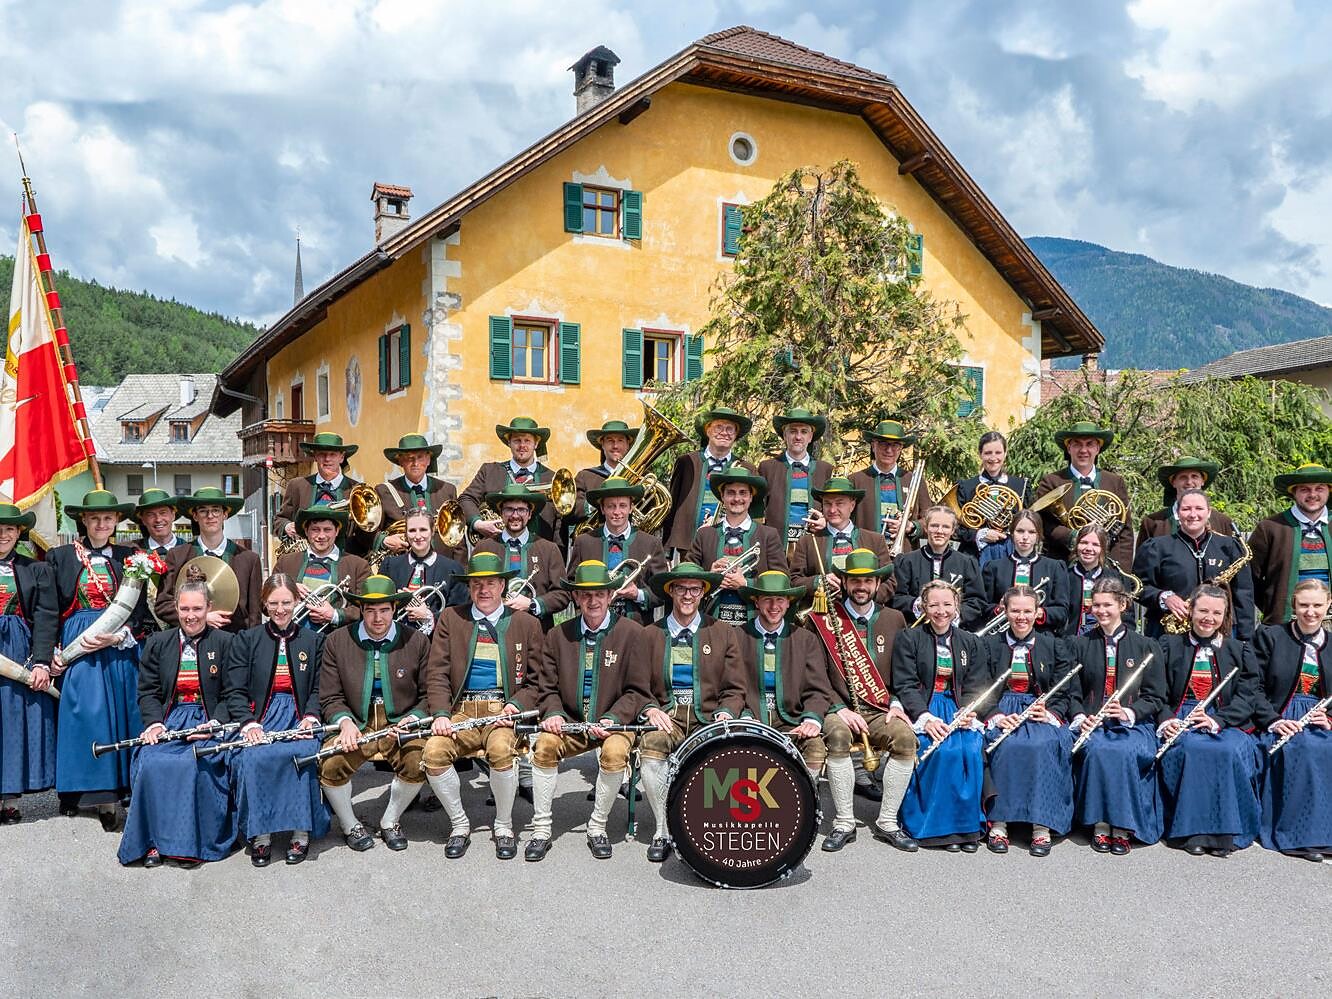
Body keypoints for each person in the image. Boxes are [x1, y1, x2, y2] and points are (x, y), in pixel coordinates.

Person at [420, 552, 546, 860]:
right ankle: (459, 825)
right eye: (477, 584)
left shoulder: (526, 623)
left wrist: (516, 706)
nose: (484, 590)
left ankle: (503, 825)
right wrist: (439, 714)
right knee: (433, 754)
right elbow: (436, 672)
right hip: (461, 709)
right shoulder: (452, 617)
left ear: (503, 586)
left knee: (502, 752)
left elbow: (539, 679)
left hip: (503, 710)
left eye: (491, 583)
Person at [526, 561, 645, 861]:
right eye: (585, 595)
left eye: (600, 594)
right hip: (569, 722)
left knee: (617, 753)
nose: (593, 601)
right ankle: (541, 829)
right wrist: (552, 712)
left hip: (612, 723)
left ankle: (597, 827)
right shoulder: (556, 635)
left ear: (610, 596)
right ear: (576, 598)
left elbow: (638, 690)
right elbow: (547, 687)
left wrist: (613, 718)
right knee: (544, 746)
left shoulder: (632, 633)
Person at [629, 562, 745, 863]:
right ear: (670, 591)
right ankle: (663, 829)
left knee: (724, 748)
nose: (688, 595)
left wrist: (725, 712)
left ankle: (709, 826)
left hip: (708, 717)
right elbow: (636, 685)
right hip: (668, 717)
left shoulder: (723, 633)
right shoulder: (648, 634)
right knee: (652, 748)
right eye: (681, 588)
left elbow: (735, 688)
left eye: (695, 588)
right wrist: (650, 708)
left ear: (704, 593)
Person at [47, 489, 147, 827]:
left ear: (117, 520)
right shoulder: (60, 557)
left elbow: (142, 611)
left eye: (108, 517)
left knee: (124, 713)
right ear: (83, 521)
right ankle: (85, 791)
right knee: (85, 715)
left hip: (117, 644)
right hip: (79, 643)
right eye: (94, 518)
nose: (101, 523)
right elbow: (49, 611)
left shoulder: (131, 557)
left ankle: (120, 790)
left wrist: (122, 634)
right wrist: (52, 653)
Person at [118, 581, 235, 867]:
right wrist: (155, 723)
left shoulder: (226, 642)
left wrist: (214, 723)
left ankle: (190, 844)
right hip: (172, 718)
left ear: (209, 608)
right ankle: (154, 841)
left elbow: (233, 692)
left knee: (193, 763)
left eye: (197, 608)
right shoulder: (159, 643)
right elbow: (148, 691)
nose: (190, 615)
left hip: (209, 720)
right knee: (150, 760)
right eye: (184, 609)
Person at [316, 576, 432, 852]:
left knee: (419, 761)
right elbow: (330, 695)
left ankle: (390, 820)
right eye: (370, 610)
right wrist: (344, 723)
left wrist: (413, 719)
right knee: (330, 763)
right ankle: (349, 824)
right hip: (358, 720)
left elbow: (431, 693)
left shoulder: (416, 641)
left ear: (395, 609)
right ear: (362, 611)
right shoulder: (337, 641)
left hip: (400, 721)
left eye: (384, 610)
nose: (377, 618)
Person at [224, 573, 330, 866]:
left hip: (298, 715)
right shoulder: (247, 639)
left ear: (297, 601)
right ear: (264, 604)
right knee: (254, 757)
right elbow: (234, 689)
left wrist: (310, 716)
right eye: (273, 603)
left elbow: (321, 687)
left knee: (302, 753)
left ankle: (300, 831)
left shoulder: (315, 640)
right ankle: (262, 833)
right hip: (262, 716)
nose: (280, 609)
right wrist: (248, 722)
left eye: (286, 602)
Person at [817, 549, 918, 852]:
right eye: (855, 581)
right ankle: (844, 822)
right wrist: (839, 708)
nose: (861, 587)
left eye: (868, 581)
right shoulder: (825, 619)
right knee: (835, 736)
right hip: (840, 706)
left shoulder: (894, 618)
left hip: (881, 708)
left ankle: (887, 821)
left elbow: (906, 669)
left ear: (877, 584)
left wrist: (898, 702)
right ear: (845, 583)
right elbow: (817, 675)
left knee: (905, 740)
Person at [1156, 584, 1262, 858]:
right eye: (1203, 610)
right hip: (1182, 717)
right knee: (1192, 748)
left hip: (1224, 720)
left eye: (1216, 613)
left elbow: (1247, 697)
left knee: (1224, 750)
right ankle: (1192, 832)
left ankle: (1223, 833)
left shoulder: (1239, 650)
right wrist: (1167, 719)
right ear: (1190, 610)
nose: (1208, 618)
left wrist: (1218, 720)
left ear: (1225, 616)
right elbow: (1156, 692)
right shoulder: (1169, 645)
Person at [1068, 577, 1166, 855]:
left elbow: (1156, 697)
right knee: (1098, 749)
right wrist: (1079, 716)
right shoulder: (1080, 644)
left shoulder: (1147, 646)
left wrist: (1129, 712)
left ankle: (1122, 826)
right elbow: (1073, 693)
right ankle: (1100, 824)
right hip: (1093, 724)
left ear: (1123, 604)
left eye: (1107, 605)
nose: (1101, 611)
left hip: (1133, 726)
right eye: (1096, 605)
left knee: (1122, 750)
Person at [894, 579, 992, 851]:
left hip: (957, 707)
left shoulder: (971, 641)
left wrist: (970, 710)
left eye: (947, 604)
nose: (941, 611)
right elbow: (905, 684)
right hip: (926, 707)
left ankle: (966, 830)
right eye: (934, 604)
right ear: (923, 607)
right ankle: (934, 828)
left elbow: (977, 684)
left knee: (970, 749)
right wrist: (925, 717)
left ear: (957, 607)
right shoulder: (909, 638)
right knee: (939, 750)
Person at [982, 585, 1077, 857]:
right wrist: (995, 715)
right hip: (1003, 707)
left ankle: (1041, 825)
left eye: (1027, 611)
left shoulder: (1055, 645)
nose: (1021, 617)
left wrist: (1050, 713)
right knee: (1003, 744)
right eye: (1015, 611)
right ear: (1004, 612)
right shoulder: (990, 645)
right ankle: (999, 823)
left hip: (1039, 709)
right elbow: (980, 686)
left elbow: (1064, 688)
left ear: (1037, 613)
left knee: (1045, 744)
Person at [735, 571, 833, 818]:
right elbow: (729, 685)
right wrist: (743, 715)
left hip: (791, 718)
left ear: (789, 602)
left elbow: (818, 688)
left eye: (780, 600)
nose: (774, 606)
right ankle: (746, 810)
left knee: (815, 746)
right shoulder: (736, 636)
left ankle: (800, 807)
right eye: (767, 599)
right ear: (756, 601)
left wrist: (811, 719)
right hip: (751, 715)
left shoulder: (806, 639)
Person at [1251, 579, 1332, 861]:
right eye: (1304, 605)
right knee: (1306, 750)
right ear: (1293, 606)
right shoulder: (1271, 636)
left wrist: (1330, 717)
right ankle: (1301, 836)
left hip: (1320, 718)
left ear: (1328, 605)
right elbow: (1254, 687)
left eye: (1317, 605)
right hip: (1280, 716)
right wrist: (1272, 720)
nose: (1311, 612)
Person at [1133, 489, 1255, 641]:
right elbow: (1136, 587)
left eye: (1199, 508)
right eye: (1186, 509)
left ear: (1209, 512)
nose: (1192, 514)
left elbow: (1244, 595)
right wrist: (1163, 597)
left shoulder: (1230, 547)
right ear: (1177, 513)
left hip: (1220, 632)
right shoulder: (1157, 547)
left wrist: (1246, 639)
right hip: (1169, 634)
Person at [0, 503, 57, 823]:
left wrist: (41, 661)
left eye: (9, 529)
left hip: (17, 648)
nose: (2, 535)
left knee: (11, 724)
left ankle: (10, 799)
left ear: (20, 532)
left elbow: (45, 616)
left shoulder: (34, 569)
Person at [155, 486, 262, 632]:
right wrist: (201, 617)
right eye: (203, 510)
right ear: (195, 516)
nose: (210, 516)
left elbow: (254, 615)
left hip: (235, 643)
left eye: (216, 510)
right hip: (191, 642)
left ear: (225, 514)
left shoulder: (249, 559)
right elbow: (163, 605)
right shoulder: (177, 556)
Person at [687, 469, 787, 625]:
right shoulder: (704, 534)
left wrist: (746, 584)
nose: (737, 498)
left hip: (754, 622)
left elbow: (782, 581)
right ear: (722, 496)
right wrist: (710, 577)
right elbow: (686, 578)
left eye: (743, 493)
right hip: (711, 621)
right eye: (731, 493)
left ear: (751, 497)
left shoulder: (769, 535)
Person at [1034, 421, 1133, 566]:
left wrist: (1121, 569)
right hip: (1062, 563)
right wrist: (1073, 536)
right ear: (1069, 448)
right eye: (1077, 444)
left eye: (1089, 444)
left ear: (1098, 448)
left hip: (1105, 565)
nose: (1083, 450)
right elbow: (1042, 522)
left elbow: (1125, 533)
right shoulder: (1052, 481)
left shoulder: (1115, 482)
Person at [661, 407, 758, 555]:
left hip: (731, 544)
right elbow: (672, 507)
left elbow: (754, 512)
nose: (724, 432)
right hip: (688, 543)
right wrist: (666, 551)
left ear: (736, 435)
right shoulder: (687, 462)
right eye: (718, 427)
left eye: (730, 429)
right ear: (707, 431)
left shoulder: (747, 468)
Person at [473, 483, 569, 627]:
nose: (515, 515)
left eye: (521, 510)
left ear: (530, 514)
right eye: (509, 509)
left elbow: (562, 594)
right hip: (493, 628)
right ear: (501, 513)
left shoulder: (549, 549)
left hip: (537, 630)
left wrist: (532, 604)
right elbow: (471, 589)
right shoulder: (484, 547)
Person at [459, 416, 565, 547]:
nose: (522, 445)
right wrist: (478, 523)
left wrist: (556, 558)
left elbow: (558, 525)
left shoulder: (552, 479)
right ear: (508, 442)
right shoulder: (490, 471)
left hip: (538, 554)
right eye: (517, 440)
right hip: (496, 550)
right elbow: (466, 498)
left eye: (527, 440)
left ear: (536, 444)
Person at [788, 476, 894, 605]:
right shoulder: (807, 541)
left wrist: (861, 598)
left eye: (839, 503)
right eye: (827, 503)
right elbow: (793, 581)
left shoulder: (875, 540)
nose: (832, 510)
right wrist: (819, 582)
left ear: (852, 505)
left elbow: (889, 583)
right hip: (821, 616)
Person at [1249, 464, 1332, 625]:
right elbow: (1249, 579)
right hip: (1285, 626)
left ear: (1329, 490)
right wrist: (1275, 607)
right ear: (1293, 492)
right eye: (1305, 489)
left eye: (1319, 488)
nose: (1313, 494)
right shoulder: (1270, 527)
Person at [889, 506, 988, 631]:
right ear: (926, 528)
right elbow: (895, 598)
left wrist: (954, 614)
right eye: (934, 526)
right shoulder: (906, 561)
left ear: (953, 531)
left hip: (955, 633)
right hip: (915, 632)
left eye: (946, 527)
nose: (939, 531)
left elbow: (977, 602)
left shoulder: (967, 563)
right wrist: (917, 605)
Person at [272, 432, 368, 556]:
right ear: (315, 457)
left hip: (346, 560)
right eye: (322, 454)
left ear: (342, 457)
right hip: (305, 559)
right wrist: (287, 526)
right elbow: (279, 519)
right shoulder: (297, 486)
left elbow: (367, 531)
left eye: (332, 454)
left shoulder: (357, 490)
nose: (327, 459)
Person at [275, 507, 371, 631]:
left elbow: (369, 607)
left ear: (337, 531)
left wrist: (336, 615)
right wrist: (287, 589)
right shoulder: (285, 562)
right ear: (306, 531)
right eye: (315, 530)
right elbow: (265, 604)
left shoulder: (359, 565)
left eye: (327, 530)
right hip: (292, 639)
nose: (321, 536)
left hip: (336, 642)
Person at [980, 510, 1070, 637]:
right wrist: (999, 609)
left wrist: (1040, 613)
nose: (1025, 537)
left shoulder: (1054, 567)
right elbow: (982, 607)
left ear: (1038, 536)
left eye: (1032, 532)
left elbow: (1062, 612)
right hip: (1001, 638)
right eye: (1020, 531)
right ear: (1012, 533)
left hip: (1041, 637)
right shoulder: (994, 567)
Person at [379, 510, 467, 635]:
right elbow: (379, 607)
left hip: (434, 643)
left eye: (423, 529)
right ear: (406, 533)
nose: (418, 536)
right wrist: (401, 600)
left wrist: (428, 616)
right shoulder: (390, 565)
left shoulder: (452, 569)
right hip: (397, 640)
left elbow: (458, 615)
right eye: (412, 530)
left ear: (433, 531)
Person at [758, 408, 833, 552]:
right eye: (793, 431)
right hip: (775, 546)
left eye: (804, 432)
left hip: (814, 545)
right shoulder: (767, 468)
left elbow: (832, 508)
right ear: (784, 435)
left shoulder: (825, 469)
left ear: (811, 437)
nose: (798, 437)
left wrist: (826, 522)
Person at [374, 433, 460, 560]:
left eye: (420, 457)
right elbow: (368, 531)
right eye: (409, 458)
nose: (415, 463)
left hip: (442, 567)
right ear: (400, 462)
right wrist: (384, 540)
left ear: (429, 460)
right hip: (402, 567)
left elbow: (458, 536)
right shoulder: (384, 491)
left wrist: (459, 571)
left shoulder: (447, 490)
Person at [848, 420, 931, 550]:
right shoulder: (855, 480)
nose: (889, 450)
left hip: (905, 555)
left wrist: (911, 526)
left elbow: (929, 519)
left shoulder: (915, 480)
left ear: (901, 448)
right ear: (873, 445)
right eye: (883, 444)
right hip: (865, 553)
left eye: (895, 445)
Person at [951, 431, 1031, 564]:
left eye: (998, 452)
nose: (993, 458)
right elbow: (957, 527)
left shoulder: (1021, 486)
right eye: (988, 453)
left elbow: (1029, 522)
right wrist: (979, 534)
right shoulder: (966, 487)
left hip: (1012, 552)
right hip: (974, 555)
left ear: (1005, 453)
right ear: (980, 454)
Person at [1136, 456, 1236, 545]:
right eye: (1183, 477)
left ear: (1202, 481)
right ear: (1173, 483)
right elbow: (1142, 562)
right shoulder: (1152, 523)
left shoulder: (1223, 522)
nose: (1189, 482)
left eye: (1194, 476)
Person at [1064, 525, 1138, 636]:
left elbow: (1128, 619)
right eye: (1084, 543)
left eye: (1095, 544)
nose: (1088, 548)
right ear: (1076, 546)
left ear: (1102, 549)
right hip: (1069, 642)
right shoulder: (1064, 576)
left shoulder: (1117, 578)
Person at [573, 418, 639, 523]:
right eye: (610, 441)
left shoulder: (641, 478)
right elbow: (571, 511)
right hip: (595, 538)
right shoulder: (585, 477)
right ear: (602, 444)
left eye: (620, 440)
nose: (615, 446)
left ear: (627, 445)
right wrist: (597, 504)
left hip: (634, 538)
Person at [133, 489, 184, 558]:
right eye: (150, 515)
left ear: (173, 515)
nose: (158, 519)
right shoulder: (132, 551)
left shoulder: (189, 550)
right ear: (143, 520)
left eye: (163, 513)